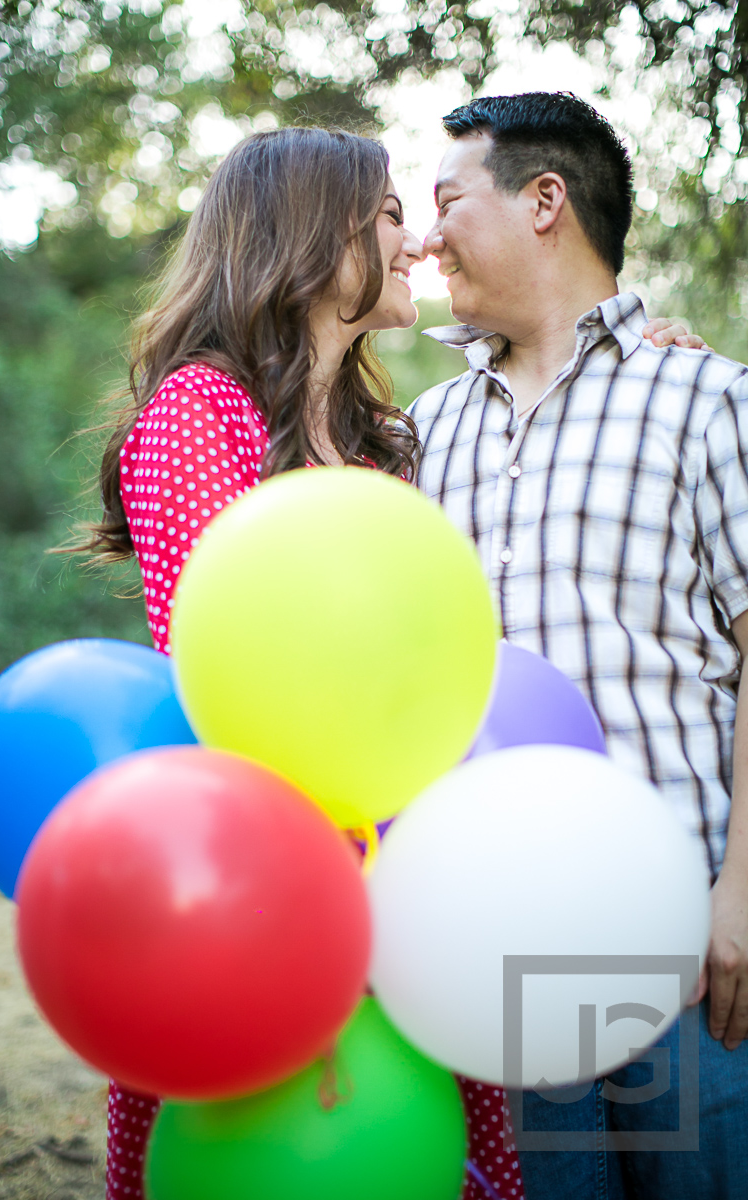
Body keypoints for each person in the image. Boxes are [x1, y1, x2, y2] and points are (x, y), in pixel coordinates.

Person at [78, 123, 697, 1200]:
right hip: (265, 897)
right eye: (390, 215)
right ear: (317, 240)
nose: (413, 244)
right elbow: (222, 678)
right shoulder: (197, 412)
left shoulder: (382, 437)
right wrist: (311, 935)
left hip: (419, 893)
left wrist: (650, 367)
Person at [409, 91, 748, 1200]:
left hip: (690, 942)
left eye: (447, 199)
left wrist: (741, 895)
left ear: (543, 200)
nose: (425, 234)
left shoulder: (705, 401)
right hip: (495, 943)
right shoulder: (422, 434)